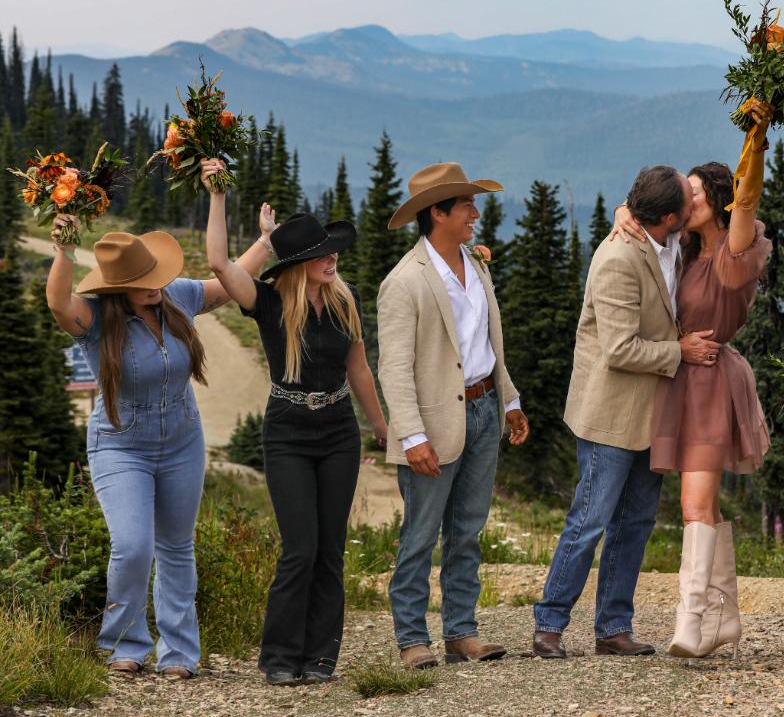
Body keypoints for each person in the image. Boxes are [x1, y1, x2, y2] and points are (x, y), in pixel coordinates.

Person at [44, 169, 275, 678]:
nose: (155, 287)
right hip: (120, 445)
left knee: (176, 546)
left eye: (156, 277)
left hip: (182, 442)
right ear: (118, 287)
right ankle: (124, 645)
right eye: (143, 283)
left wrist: (256, 234)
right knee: (132, 546)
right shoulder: (97, 320)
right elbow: (58, 301)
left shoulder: (178, 298)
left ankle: (179, 654)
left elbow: (230, 282)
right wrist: (63, 250)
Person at [205, 159, 388, 686]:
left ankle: (320, 657)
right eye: (321, 254)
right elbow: (218, 261)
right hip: (286, 429)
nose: (333, 258)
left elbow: (358, 368)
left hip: (338, 431)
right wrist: (218, 193)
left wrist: (379, 425)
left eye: (332, 251)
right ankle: (280, 657)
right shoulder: (266, 303)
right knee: (300, 548)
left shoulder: (342, 300)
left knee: (330, 550)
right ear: (298, 263)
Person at [532, 164, 722, 659]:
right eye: (688, 198)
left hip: (652, 414)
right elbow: (620, 350)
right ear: (668, 216)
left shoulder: (669, 240)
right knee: (590, 519)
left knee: (635, 522)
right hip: (609, 414)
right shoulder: (618, 257)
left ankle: (613, 627)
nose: (694, 202)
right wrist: (680, 352)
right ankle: (549, 624)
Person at [609, 101, 773, 658]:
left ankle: (692, 620)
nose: (688, 201)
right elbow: (638, 216)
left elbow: (747, 199)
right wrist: (622, 214)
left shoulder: (734, 251)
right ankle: (722, 618)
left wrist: (757, 138)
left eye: (698, 194)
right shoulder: (683, 249)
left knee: (694, 504)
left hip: (712, 381)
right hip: (683, 378)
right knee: (703, 506)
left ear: (719, 202)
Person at [376, 162, 530, 670]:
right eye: (465, 204)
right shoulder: (404, 282)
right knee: (420, 534)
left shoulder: (475, 265)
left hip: (485, 408)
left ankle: (461, 632)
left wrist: (510, 402)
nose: (475, 213)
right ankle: (411, 639)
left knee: (467, 530)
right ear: (436, 213)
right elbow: (394, 369)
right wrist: (413, 436)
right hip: (434, 423)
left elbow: (486, 345)